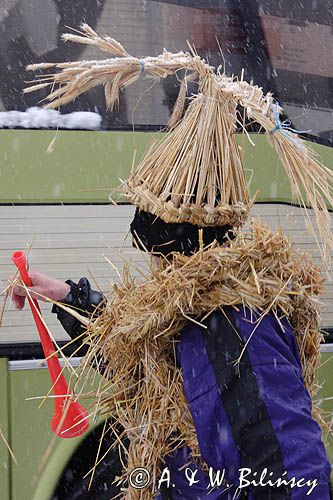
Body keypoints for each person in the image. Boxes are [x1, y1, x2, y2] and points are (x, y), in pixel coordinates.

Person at [12, 25, 333, 499]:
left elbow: (295, 475)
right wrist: (67, 298)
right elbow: (137, 352)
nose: (158, 267)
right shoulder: (192, 309)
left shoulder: (235, 326)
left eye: (161, 253)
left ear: (183, 245)